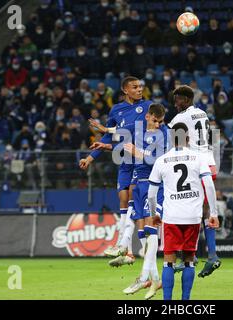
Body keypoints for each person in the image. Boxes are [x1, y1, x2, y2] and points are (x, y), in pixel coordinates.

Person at [79, 76, 152, 266]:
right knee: (122, 197)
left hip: (140, 159)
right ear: (125, 90)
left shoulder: (147, 107)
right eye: (135, 87)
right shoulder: (116, 110)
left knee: (132, 198)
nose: (139, 89)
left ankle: (127, 246)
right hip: (125, 159)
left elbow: (144, 131)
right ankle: (127, 250)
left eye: (140, 87)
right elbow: (106, 137)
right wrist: (89, 157)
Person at [147, 122, 219, 300]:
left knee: (168, 262)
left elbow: (151, 194)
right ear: (188, 138)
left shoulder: (161, 160)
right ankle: (185, 301)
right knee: (188, 260)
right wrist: (214, 213)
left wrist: (154, 213)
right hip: (193, 216)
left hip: (171, 216)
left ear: (171, 139)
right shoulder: (198, 157)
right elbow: (209, 185)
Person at [168, 85, 221, 278]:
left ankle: (195, 255)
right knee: (202, 209)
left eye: (178, 100)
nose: (176, 104)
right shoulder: (202, 113)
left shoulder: (179, 118)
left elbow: (168, 137)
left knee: (190, 208)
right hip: (210, 162)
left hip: (196, 165)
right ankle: (209, 254)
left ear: (187, 99)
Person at [121, 103, 168, 299]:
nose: (158, 125)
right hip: (139, 185)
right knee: (142, 232)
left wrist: (137, 152)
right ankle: (155, 280)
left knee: (150, 231)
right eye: (155, 121)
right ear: (148, 117)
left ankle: (142, 278)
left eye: (160, 122)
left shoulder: (164, 134)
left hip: (154, 185)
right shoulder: (139, 132)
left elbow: (156, 160)